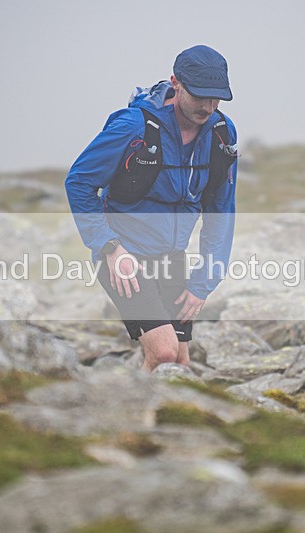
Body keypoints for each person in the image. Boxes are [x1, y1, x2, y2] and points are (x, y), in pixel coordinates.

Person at [65, 45, 238, 371]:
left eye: (217, 98)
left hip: (172, 260)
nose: (208, 106)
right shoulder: (133, 127)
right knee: (164, 354)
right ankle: (129, 418)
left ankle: (155, 414)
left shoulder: (221, 134)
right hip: (124, 258)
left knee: (182, 360)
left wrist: (204, 281)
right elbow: (78, 183)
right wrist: (108, 247)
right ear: (176, 83)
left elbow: (221, 211)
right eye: (199, 95)